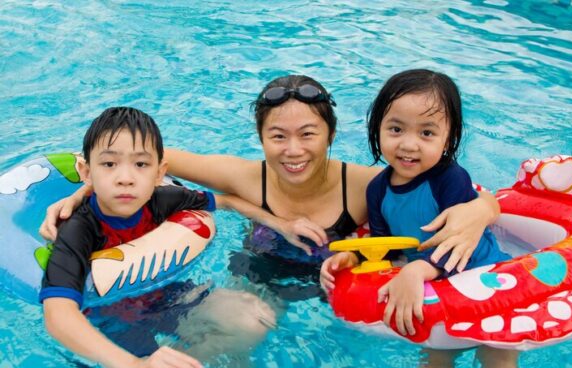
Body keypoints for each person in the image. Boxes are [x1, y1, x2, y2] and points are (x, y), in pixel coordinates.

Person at [40, 75, 501, 302]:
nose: (293, 150)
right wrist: (83, 195)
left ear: (331, 136)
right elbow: (137, 158)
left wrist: (482, 211)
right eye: (277, 136)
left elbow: (462, 191)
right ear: (261, 139)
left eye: (308, 134)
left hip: (339, 295)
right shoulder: (245, 177)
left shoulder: (365, 185)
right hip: (259, 284)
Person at [320, 69, 572, 368]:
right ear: (377, 129)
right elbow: (384, 247)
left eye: (427, 133)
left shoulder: (450, 179)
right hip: (440, 292)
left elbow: (463, 241)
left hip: (487, 281)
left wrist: (419, 269)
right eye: (395, 129)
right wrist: (351, 257)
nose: (408, 144)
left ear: (448, 139)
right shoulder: (378, 189)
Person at [40, 107, 276, 368]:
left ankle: (183, 359)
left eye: (140, 165)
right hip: (116, 321)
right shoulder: (78, 230)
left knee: (255, 317)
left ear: (159, 173)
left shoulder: (162, 199)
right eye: (109, 164)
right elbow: (57, 315)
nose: (125, 178)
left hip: (168, 297)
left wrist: (284, 225)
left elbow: (227, 201)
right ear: (86, 172)